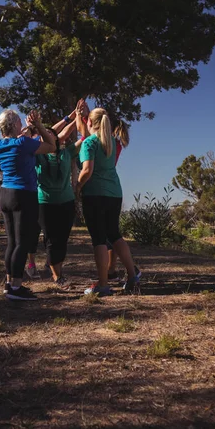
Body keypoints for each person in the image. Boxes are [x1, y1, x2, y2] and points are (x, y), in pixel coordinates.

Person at [0, 109, 55, 300]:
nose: (22, 125)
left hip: (5, 195)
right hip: (23, 195)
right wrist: (38, 127)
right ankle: (17, 287)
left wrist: (27, 132)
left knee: (12, 242)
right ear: (12, 125)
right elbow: (51, 146)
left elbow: (15, 143)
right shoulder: (23, 143)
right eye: (19, 122)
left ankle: (9, 283)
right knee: (22, 242)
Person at [76, 108, 139, 296]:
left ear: (89, 123)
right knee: (114, 234)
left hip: (95, 194)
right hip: (114, 193)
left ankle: (103, 285)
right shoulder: (111, 141)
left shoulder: (89, 143)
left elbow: (87, 170)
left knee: (99, 238)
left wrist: (77, 187)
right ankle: (132, 275)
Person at [24, 101, 88, 279]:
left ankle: (57, 269)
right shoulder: (37, 155)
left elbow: (83, 138)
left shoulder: (66, 152)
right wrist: (34, 126)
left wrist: (80, 116)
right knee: (51, 240)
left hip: (66, 203)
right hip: (45, 203)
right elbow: (28, 138)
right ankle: (57, 276)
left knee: (62, 239)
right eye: (46, 136)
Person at [106, 118, 141, 282]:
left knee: (110, 234)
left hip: (105, 190)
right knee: (111, 233)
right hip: (113, 190)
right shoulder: (116, 143)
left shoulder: (108, 143)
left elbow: (85, 135)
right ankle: (111, 270)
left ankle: (131, 270)